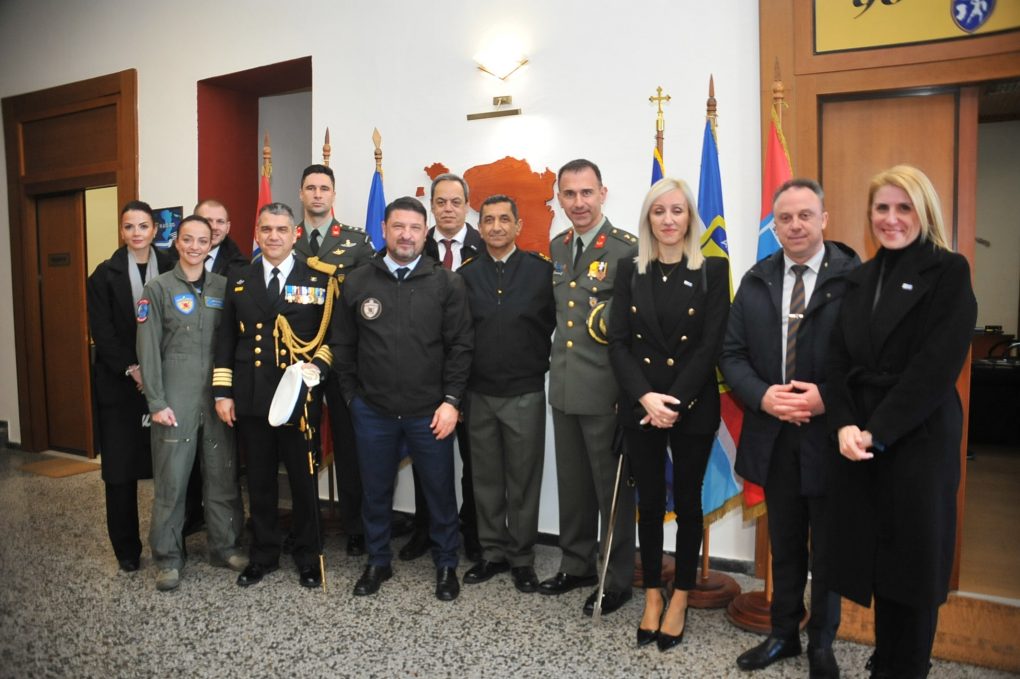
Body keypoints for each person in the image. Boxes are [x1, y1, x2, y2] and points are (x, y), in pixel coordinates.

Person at [827, 165, 977, 678]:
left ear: (924, 211)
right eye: (882, 208)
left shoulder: (949, 271)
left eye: (904, 207)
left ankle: (908, 667)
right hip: (860, 440)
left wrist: (877, 430)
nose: (891, 219)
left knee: (914, 570)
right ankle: (885, 662)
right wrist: (844, 425)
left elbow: (935, 369)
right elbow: (836, 362)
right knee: (878, 562)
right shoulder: (860, 278)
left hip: (918, 439)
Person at [720, 178, 858, 677]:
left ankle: (822, 643)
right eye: (785, 218)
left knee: (829, 548)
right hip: (774, 434)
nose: (795, 225)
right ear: (773, 227)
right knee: (784, 542)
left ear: (824, 219)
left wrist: (828, 398)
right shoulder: (757, 279)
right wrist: (763, 396)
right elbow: (731, 354)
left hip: (831, 435)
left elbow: (868, 359)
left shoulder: (855, 279)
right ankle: (783, 635)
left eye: (805, 215)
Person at [329, 196, 473, 602]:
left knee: (439, 492)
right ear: (384, 230)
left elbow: (461, 347)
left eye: (414, 228)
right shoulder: (358, 281)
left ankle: (446, 563)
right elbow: (343, 344)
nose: (406, 235)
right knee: (375, 492)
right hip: (372, 411)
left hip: (430, 412)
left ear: (425, 233)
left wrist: (451, 401)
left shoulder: (446, 282)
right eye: (398, 227)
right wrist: (353, 398)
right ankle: (378, 560)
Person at [608, 178, 730, 650]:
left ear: (690, 217)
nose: (669, 219)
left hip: (690, 405)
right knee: (651, 505)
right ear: (648, 219)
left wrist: (672, 403)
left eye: (677, 210)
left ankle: (681, 595)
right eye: (659, 211)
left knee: (689, 503)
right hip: (642, 405)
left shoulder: (712, 270)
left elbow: (710, 346)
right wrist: (646, 398)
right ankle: (653, 595)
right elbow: (618, 343)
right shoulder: (629, 268)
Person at [213, 202, 334, 589]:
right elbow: (226, 339)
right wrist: (222, 392)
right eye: (266, 229)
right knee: (260, 482)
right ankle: (263, 554)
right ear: (256, 233)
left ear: (295, 234)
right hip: (253, 397)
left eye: (282, 229)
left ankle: (308, 555)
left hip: (299, 400)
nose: (274, 236)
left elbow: (333, 337)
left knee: (303, 480)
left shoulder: (318, 279)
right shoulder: (239, 279)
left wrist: (317, 370)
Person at [541, 159, 638, 616]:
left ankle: (615, 579)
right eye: (569, 194)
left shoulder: (626, 250)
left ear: (603, 193)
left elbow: (635, 327)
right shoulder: (558, 246)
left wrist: (628, 392)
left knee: (611, 492)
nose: (578, 202)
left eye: (586, 192)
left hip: (606, 391)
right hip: (564, 386)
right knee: (573, 486)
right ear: (559, 198)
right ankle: (576, 563)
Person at [136, 215, 247, 591]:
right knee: (172, 481)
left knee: (222, 476)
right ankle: (168, 557)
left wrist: (231, 394)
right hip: (174, 400)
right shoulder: (158, 288)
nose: (195, 246)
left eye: (202, 240)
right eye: (188, 239)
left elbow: (233, 343)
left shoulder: (223, 287)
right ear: (176, 242)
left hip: (216, 398)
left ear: (211, 244)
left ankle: (225, 546)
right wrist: (156, 401)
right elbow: (147, 348)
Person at [458, 195, 555, 593]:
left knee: (524, 480)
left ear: (518, 226)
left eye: (504, 219)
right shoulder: (465, 275)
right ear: (479, 228)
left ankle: (522, 558)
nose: (496, 227)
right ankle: (492, 553)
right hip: (478, 394)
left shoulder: (541, 272)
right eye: (488, 220)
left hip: (524, 393)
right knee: (485, 480)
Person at [401, 173, 484, 563]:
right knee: (427, 463)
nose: (448, 209)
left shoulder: (485, 246)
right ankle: (426, 529)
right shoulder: (414, 247)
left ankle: (473, 533)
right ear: (431, 206)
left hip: (475, 375)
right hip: (427, 376)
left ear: (467, 205)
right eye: (440, 202)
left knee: (474, 461)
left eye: (456, 202)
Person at [294, 163, 375, 557]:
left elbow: (370, 300)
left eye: (324, 188)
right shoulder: (286, 238)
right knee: (299, 444)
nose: (317, 194)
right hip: (298, 357)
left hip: (344, 357)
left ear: (333, 194)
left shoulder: (357, 242)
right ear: (301, 193)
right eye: (310, 188)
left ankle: (356, 526)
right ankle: (306, 526)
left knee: (350, 445)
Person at [86, 200, 172, 572]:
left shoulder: (172, 266)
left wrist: (156, 370)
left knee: (170, 468)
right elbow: (102, 332)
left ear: (155, 230)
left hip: (166, 382)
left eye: (143, 226)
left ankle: (173, 541)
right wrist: (133, 368)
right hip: (120, 385)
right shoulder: (103, 275)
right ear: (121, 231)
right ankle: (126, 550)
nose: (136, 233)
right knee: (121, 472)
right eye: (129, 226)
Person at [169, 199, 248, 539]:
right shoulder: (167, 271)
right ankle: (185, 525)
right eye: (206, 220)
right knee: (180, 467)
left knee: (222, 465)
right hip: (182, 382)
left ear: (228, 227)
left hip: (222, 378)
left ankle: (225, 537)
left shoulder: (241, 267)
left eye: (220, 221)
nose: (213, 228)